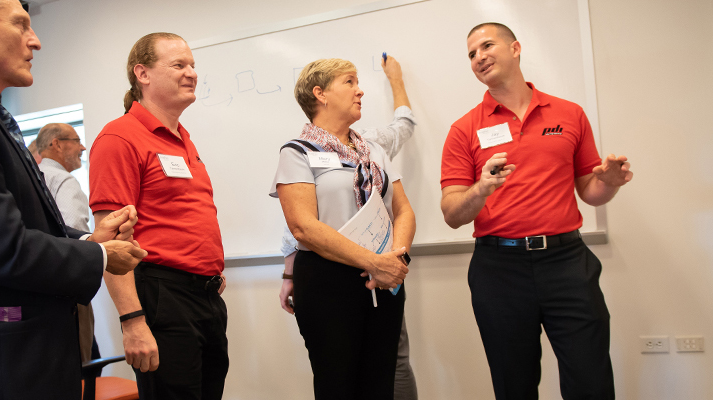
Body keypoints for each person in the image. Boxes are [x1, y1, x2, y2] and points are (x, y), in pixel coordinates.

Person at [0, 1, 147, 399]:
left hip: (18, 357)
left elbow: (19, 225)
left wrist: (89, 240)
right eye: (21, 24)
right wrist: (100, 256)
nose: (35, 40)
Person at [440, 23, 633, 399]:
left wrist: (609, 182)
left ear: (515, 48)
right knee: (514, 386)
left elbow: (590, 192)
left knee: (591, 381)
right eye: (472, 54)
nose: (479, 57)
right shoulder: (464, 129)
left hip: (567, 263)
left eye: (487, 46)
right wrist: (481, 189)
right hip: (499, 270)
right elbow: (451, 212)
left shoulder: (569, 113)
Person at [89, 32, 228, 400]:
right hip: (162, 296)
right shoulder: (119, 137)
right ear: (143, 74)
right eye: (179, 65)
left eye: (193, 65)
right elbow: (111, 242)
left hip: (205, 296)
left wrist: (205, 271)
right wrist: (132, 321)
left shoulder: (182, 138)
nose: (191, 73)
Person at [270, 58, 416, 400]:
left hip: (385, 277)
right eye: (350, 82)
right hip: (327, 281)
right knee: (338, 386)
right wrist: (373, 262)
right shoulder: (297, 152)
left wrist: (396, 259)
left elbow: (403, 210)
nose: (360, 90)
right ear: (320, 94)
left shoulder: (373, 149)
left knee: (380, 385)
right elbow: (303, 227)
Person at [35, 123, 96, 363]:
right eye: (76, 140)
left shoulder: (33, 177)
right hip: (68, 292)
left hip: (38, 292)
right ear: (57, 144)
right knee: (81, 365)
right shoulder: (64, 181)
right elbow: (75, 238)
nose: (83, 147)